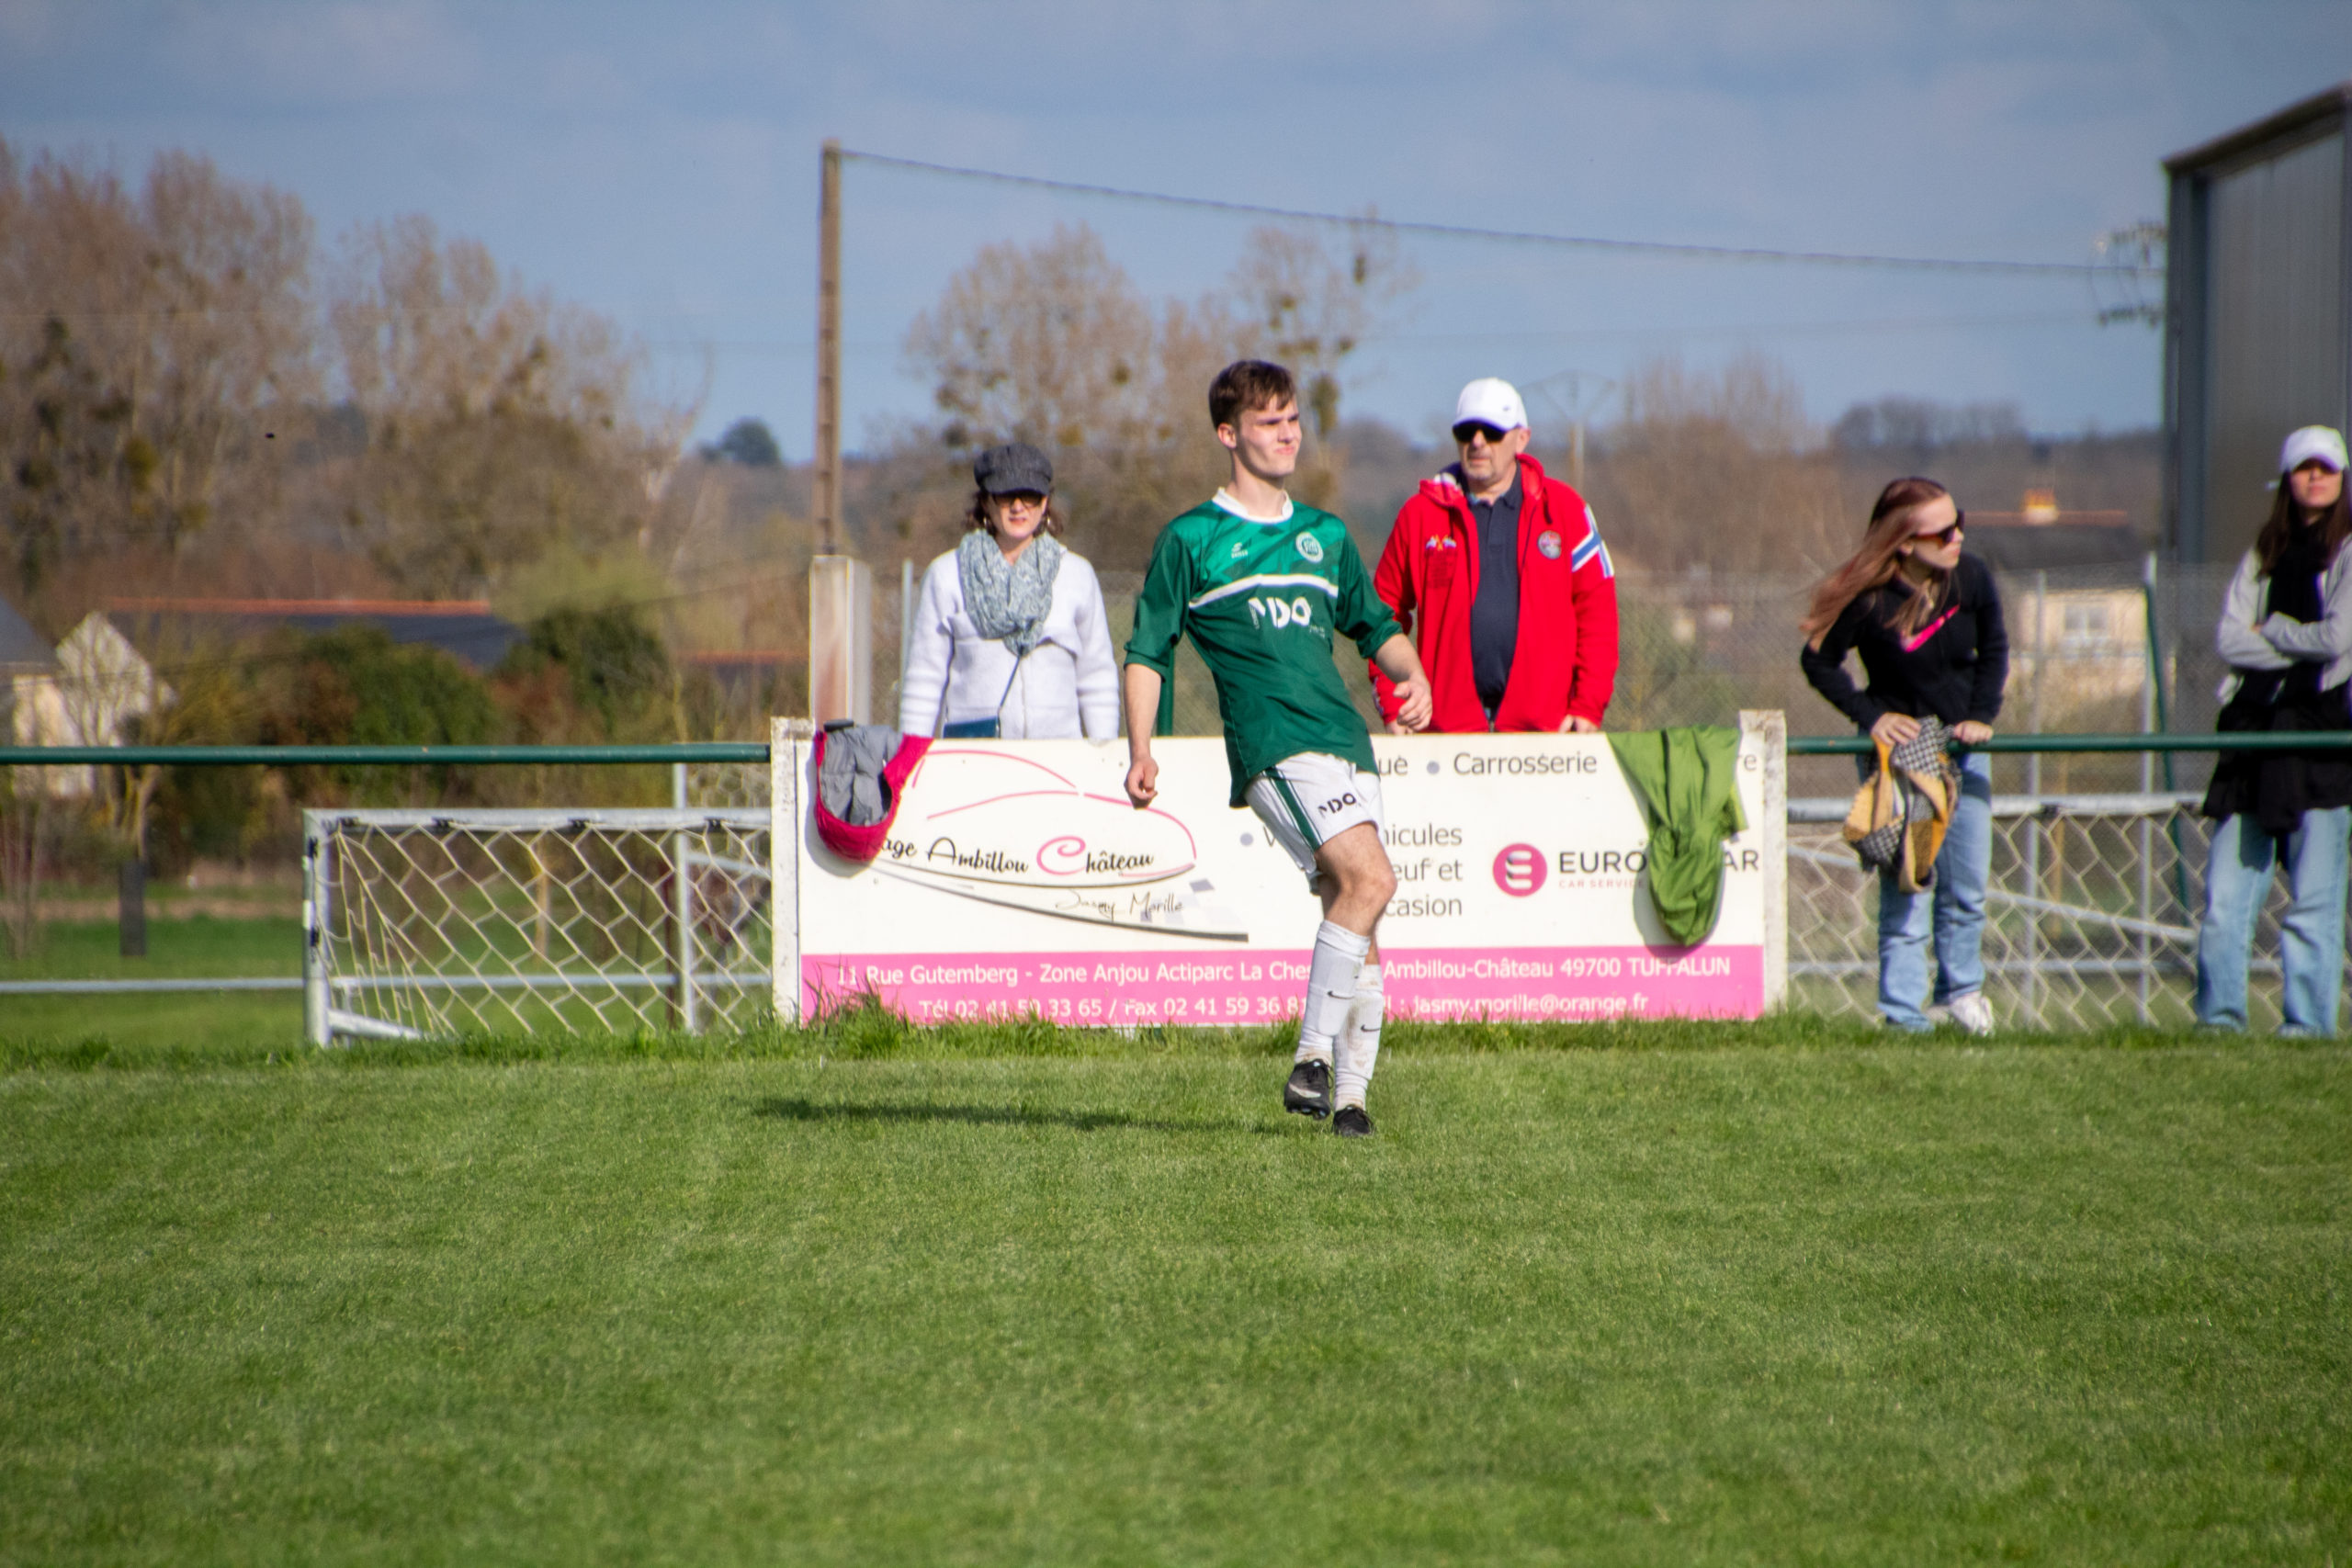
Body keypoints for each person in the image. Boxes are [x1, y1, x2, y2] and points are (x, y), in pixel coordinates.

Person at [1123, 360, 1434, 1136]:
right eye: (1270, 422)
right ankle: (1310, 1058)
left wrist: (1413, 674)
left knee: (1358, 911)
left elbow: (1375, 626)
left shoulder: (1324, 535)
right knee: (1372, 879)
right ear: (1228, 434)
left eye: (1293, 419)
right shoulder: (1193, 539)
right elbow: (1148, 650)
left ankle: (1351, 1102)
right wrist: (1141, 749)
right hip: (1275, 745)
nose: (1288, 433)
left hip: (1345, 741)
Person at [1800, 478, 2007, 1034]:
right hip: (1908, 764)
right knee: (1912, 886)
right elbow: (1818, 661)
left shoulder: (1971, 576)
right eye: (1943, 532)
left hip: (1964, 752)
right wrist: (1872, 717)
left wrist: (1981, 715)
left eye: (1959, 523)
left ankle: (1961, 997)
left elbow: (1994, 649)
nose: (1957, 537)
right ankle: (1903, 1014)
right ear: (1905, 542)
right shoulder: (1871, 599)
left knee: (1967, 887)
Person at [2194, 424, 2352, 1036]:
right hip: (2254, 732)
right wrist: (2294, 646)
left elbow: (2337, 640)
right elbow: (2229, 639)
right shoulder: (2263, 553)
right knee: (2226, 899)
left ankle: (2307, 1027)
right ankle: (2219, 1022)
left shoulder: (2347, 551)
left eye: (2327, 468)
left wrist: (2275, 631)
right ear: (2287, 478)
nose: (2316, 477)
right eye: (2304, 467)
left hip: (2321, 739)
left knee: (2314, 902)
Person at [1370, 378, 1618, 733]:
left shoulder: (1564, 511)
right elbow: (1380, 615)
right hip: (1445, 737)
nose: (1477, 442)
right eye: (1466, 431)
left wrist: (1588, 705)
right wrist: (1394, 703)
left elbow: (1598, 613)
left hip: (1545, 736)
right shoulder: (1420, 515)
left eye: (1492, 432)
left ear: (1522, 438)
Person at [899, 442, 1120, 740]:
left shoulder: (1077, 575)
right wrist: (910, 756)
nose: (1018, 507)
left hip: (1058, 758)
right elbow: (925, 678)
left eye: (1029, 496)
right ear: (986, 502)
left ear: (1045, 502)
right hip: (973, 756)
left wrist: (1103, 752)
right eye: (1005, 496)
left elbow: (1097, 676)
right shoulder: (946, 574)